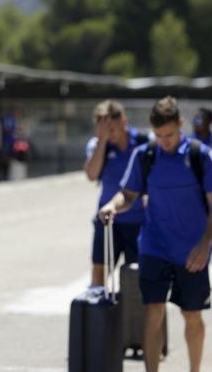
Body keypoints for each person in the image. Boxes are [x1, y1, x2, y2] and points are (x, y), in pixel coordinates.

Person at [99, 96, 212, 372]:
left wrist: (206, 243)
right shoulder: (144, 155)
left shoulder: (200, 156)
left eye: (169, 134)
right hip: (154, 246)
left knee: (191, 314)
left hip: (192, 250)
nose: (164, 141)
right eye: (159, 135)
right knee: (152, 310)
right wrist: (112, 205)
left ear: (180, 124)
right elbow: (129, 195)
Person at [83, 100, 146, 287]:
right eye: (103, 129)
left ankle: (135, 314)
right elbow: (91, 174)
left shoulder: (143, 143)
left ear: (123, 121)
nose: (109, 133)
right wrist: (102, 141)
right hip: (108, 220)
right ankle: (100, 312)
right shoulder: (98, 145)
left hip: (138, 220)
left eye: (111, 128)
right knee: (99, 272)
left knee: (137, 277)